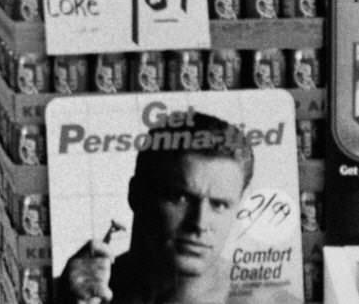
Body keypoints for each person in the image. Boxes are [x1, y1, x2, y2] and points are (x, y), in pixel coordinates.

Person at [58, 112, 255, 304]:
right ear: (136, 193)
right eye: (180, 197)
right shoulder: (69, 293)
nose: (200, 223)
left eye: (220, 205)